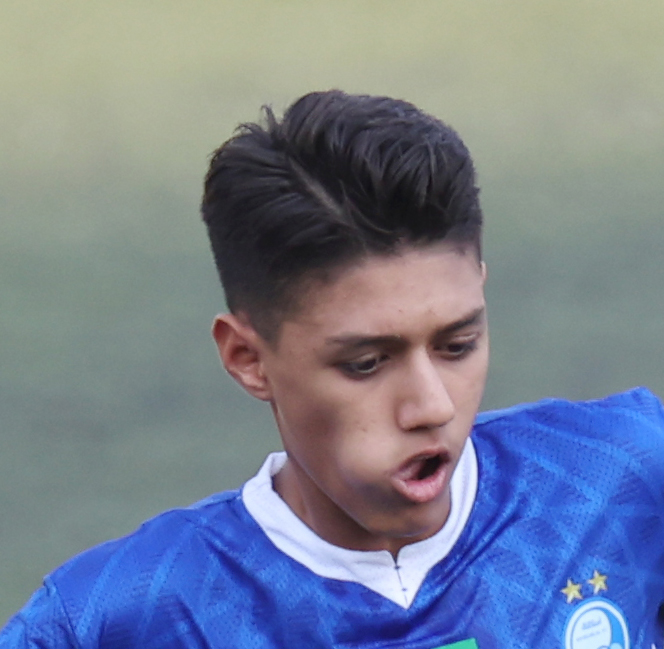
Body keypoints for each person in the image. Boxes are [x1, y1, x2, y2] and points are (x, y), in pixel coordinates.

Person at [2, 90, 663, 648]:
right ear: (248, 358)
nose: (432, 405)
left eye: (458, 344)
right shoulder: (118, 618)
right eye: (367, 363)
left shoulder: (624, 477)